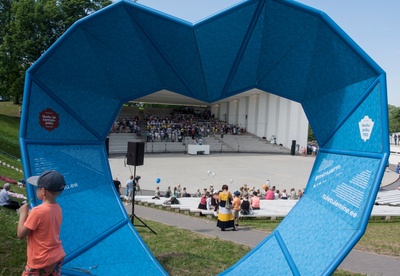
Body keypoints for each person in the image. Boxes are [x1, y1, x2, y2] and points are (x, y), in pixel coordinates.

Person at [17, 170, 66, 276]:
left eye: (37, 188)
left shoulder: (37, 211)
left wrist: (23, 214)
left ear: (43, 191)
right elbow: (43, 225)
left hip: (40, 261)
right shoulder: (58, 208)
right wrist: (30, 216)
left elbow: (21, 234)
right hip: (57, 256)